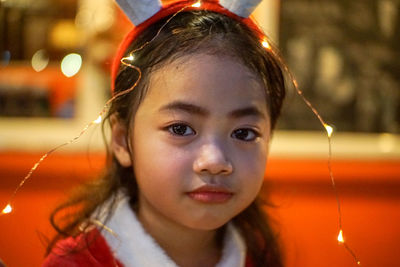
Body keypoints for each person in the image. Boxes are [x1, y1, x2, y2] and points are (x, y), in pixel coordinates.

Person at [43, 0, 286, 266]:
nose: (215, 162)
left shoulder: (258, 255)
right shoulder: (79, 262)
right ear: (123, 140)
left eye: (244, 133)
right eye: (180, 128)